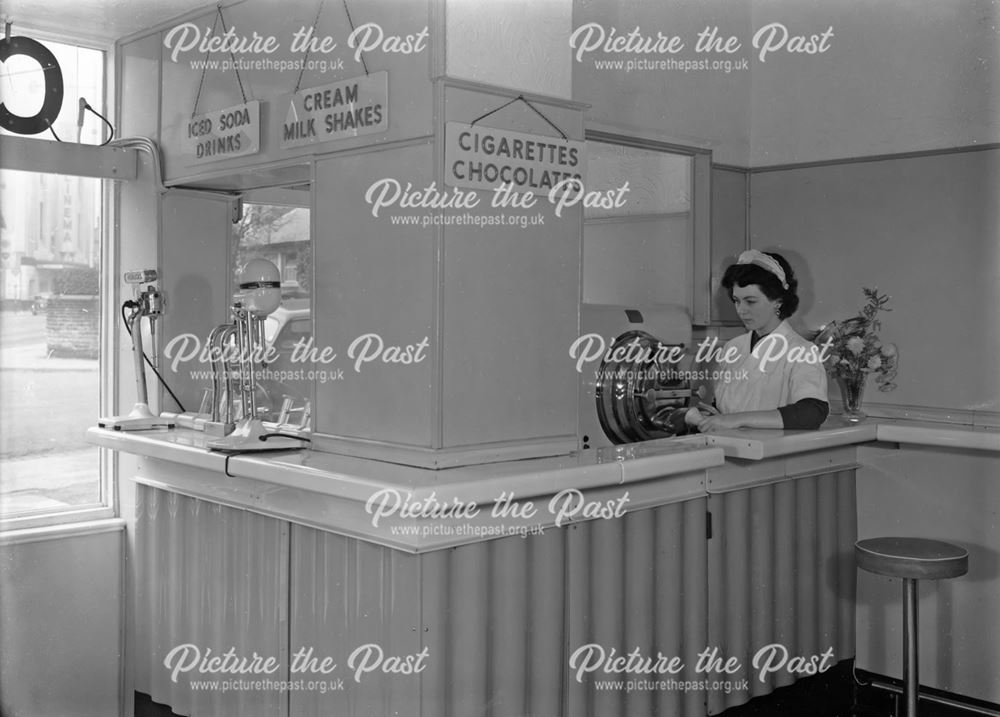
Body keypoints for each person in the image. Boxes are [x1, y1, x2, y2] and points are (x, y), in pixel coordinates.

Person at [694, 250, 829, 432]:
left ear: (778, 301)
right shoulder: (733, 347)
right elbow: (726, 407)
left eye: (750, 301)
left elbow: (813, 412)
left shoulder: (802, 351)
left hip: (771, 455)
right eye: (736, 301)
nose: (741, 310)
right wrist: (712, 416)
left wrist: (737, 420)